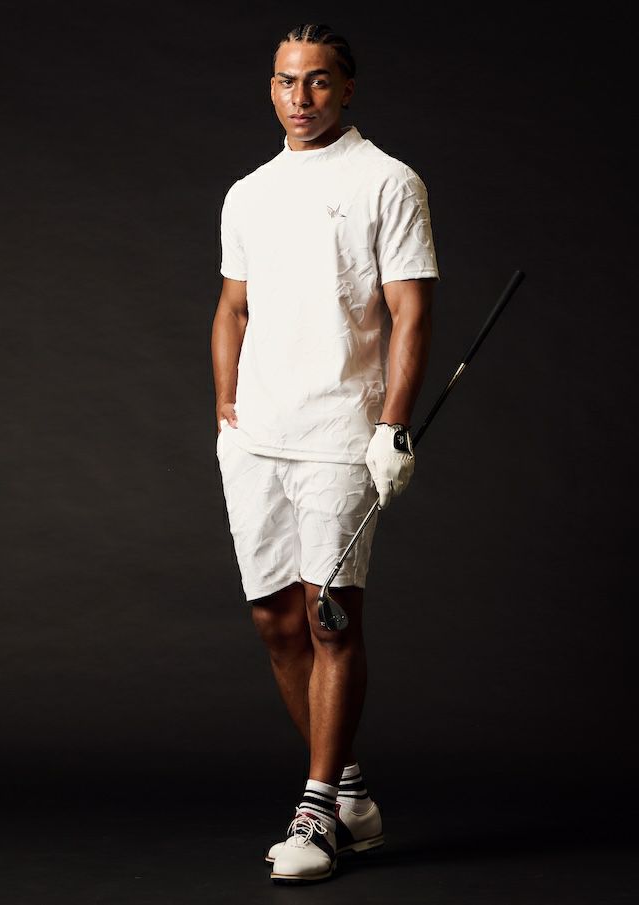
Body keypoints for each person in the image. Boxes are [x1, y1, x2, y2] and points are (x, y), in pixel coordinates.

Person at [211, 23, 439, 884]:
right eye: (284, 80)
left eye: (315, 81)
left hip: (341, 435)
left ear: (346, 88)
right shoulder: (249, 192)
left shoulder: (388, 180)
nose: (298, 97)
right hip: (256, 440)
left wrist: (392, 425)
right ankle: (350, 793)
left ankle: (316, 814)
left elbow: (410, 311)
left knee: (328, 614)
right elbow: (233, 306)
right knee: (276, 620)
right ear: (270, 87)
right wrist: (227, 406)